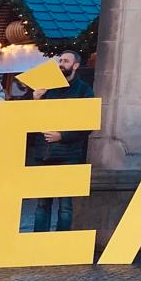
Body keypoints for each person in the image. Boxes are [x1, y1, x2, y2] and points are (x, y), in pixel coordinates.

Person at [28, 50, 95, 233]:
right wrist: (34, 100)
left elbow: (87, 125)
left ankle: (61, 246)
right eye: (60, 60)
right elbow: (29, 119)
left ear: (75, 65)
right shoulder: (47, 87)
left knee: (65, 205)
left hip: (69, 155)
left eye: (66, 61)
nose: (61, 64)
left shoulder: (84, 91)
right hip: (44, 153)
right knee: (42, 204)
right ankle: (38, 243)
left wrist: (62, 136)